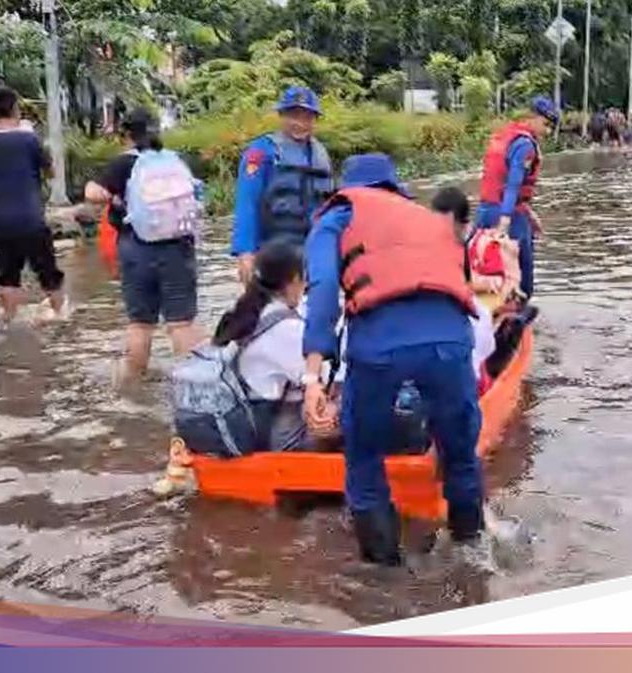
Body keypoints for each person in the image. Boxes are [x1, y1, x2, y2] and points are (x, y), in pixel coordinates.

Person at [303, 154, 484, 566]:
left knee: (364, 457)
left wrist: (312, 377)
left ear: (346, 187)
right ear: (394, 187)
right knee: (460, 453)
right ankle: (473, 555)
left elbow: (323, 292)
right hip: (451, 343)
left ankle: (384, 575)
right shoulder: (428, 218)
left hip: (380, 349)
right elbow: (462, 283)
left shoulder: (336, 219)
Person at [85, 109, 202, 380]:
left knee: (140, 325)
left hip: (137, 249)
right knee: (181, 324)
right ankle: (198, 384)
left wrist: (109, 196)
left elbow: (93, 193)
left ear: (126, 134)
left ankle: (134, 388)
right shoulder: (177, 160)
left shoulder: (123, 163)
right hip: (179, 247)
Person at [0, 86, 66, 325]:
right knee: (49, 275)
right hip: (30, 220)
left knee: (7, 278)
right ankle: (61, 318)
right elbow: (51, 171)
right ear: (14, 109)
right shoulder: (29, 139)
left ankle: (8, 322)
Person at [211, 242, 313, 452]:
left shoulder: (250, 312)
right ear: (295, 279)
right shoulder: (286, 328)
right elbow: (318, 378)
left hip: (252, 419)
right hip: (276, 435)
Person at [232, 86, 334, 284]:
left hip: (312, 250)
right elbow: (247, 202)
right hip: (273, 249)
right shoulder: (262, 152)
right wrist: (245, 252)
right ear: (281, 116)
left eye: (307, 117)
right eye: (294, 116)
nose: (301, 123)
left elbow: (330, 204)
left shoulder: (320, 153)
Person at [475, 96, 559, 307]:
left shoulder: (507, 136)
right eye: (546, 124)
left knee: (484, 265)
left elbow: (501, 182)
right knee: (522, 274)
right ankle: (519, 325)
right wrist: (505, 220)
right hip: (507, 213)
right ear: (533, 117)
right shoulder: (525, 146)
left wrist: (530, 214)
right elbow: (513, 183)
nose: (547, 131)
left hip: (485, 211)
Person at [431, 187, 503, 396]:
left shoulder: (485, 244)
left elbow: (497, 284)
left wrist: (468, 286)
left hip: (483, 303)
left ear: (463, 224)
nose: (442, 232)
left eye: (448, 226)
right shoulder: (431, 247)